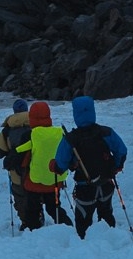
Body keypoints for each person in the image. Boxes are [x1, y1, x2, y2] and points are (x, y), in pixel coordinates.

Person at [54, 95, 127, 239]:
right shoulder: (106, 132)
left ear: (75, 114)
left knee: (83, 222)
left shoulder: (70, 139)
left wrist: (60, 167)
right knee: (106, 215)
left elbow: (60, 164)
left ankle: (84, 246)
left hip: (84, 188)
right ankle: (112, 243)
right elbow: (122, 151)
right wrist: (117, 166)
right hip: (106, 184)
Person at [15, 100, 71, 230]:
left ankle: (34, 232)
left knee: (32, 211)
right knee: (54, 208)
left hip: (34, 183)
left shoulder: (31, 135)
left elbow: (22, 156)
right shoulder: (59, 133)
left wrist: (11, 163)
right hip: (55, 181)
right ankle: (68, 228)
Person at [0, 99, 36, 225]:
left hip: (17, 173)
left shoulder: (8, 130)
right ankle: (37, 219)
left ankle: (26, 223)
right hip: (37, 170)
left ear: (14, 111)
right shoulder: (36, 124)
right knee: (35, 196)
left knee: (20, 198)